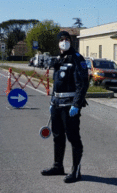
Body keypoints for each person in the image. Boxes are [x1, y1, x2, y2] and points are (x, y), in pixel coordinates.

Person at [41, 31, 89, 183]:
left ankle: (76, 172)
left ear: (71, 41)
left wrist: (76, 104)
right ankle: (58, 166)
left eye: (67, 39)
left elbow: (83, 84)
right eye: (61, 39)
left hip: (70, 106)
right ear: (58, 42)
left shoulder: (77, 58)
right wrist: (51, 102)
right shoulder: (59, 59)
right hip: (57, 105)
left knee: (73, 138)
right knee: (57, 137)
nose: (64, 42)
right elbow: (56, 84)